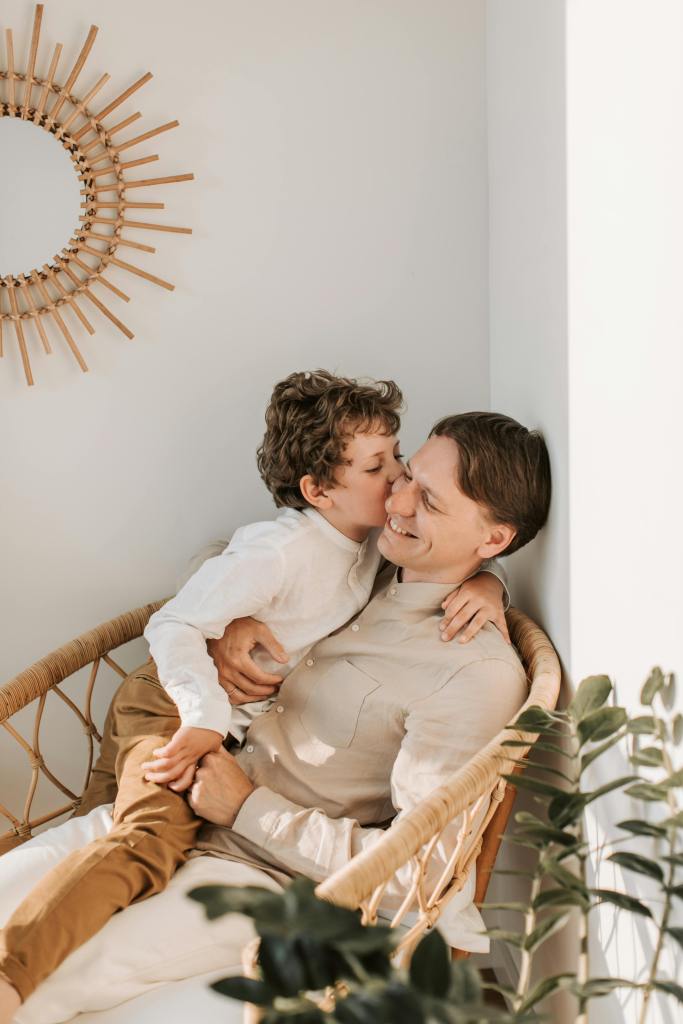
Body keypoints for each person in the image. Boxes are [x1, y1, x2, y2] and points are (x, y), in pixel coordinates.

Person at [0, 382, 511, 1022]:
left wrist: (247, 807)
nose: (397, 499)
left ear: (493, 538)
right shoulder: (380, 557)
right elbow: (242, 558)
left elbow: (421, 872)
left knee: (47, 976)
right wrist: (232, 625)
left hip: (252, 857)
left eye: (425, 497)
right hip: (189, 765)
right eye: (400, 473)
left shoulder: (469, 671)